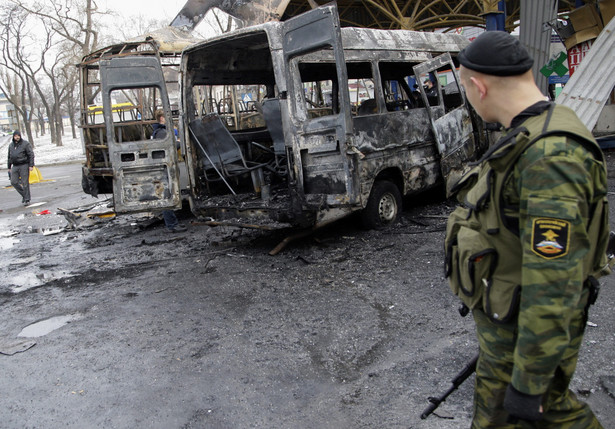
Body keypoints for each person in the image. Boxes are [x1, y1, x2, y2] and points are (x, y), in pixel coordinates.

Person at [444, 31, 609, 428]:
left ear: (478, 87)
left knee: (547, 412)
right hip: (509, 321)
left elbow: (555, 277)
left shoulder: (550, 156)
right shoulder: (532, 130)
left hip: (524, 328)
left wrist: (530, 382)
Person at [152, 109, 186, 233]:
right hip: (164, 167)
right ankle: (172, 225)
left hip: (163, 166)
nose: (169, 119)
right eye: (167, 117)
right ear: (161, 118)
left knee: (168, 196)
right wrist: (178, 143)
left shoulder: (159, 131)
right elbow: (167, 148)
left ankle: (172, 223)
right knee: (167, 196)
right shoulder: (161, 133)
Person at [7, 130, 35, 206]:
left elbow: (30, 154)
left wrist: (31, 165)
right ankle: (24, 195)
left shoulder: (25, 144)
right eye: (15, 136)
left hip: (24, 165)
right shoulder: (11, 145)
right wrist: (9, 167)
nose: (17, 137)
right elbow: (9, 156)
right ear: (13, 137)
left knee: (25, 182)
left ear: (20, 136)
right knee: (13, 182)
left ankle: (27, 199)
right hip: (15, 166)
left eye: (18, 136)